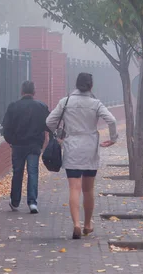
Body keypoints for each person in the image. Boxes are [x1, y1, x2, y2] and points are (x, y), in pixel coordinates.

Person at [46, 72, 118, 239]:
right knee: (88, 189)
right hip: (90, 148)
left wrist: (59, 135)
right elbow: (112, 120)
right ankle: (87, 224)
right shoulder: (96, 103)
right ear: (90, 86)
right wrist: (113, 138)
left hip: (72, 147)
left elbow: (49, 121)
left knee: (74, 188)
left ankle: (76, 224)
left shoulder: (66, 102)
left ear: (76, 84)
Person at [2, 80, 49, 214]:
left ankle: (15, 201)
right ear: (34, 92)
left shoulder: (13, 106)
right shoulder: (41, 107)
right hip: (34, 145)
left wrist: (11, 141)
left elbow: (6, 127)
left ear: (21, 91)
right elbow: (49, 124)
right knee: (33, 172)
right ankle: (32, 203)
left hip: (18, 145)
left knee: (17, 172)